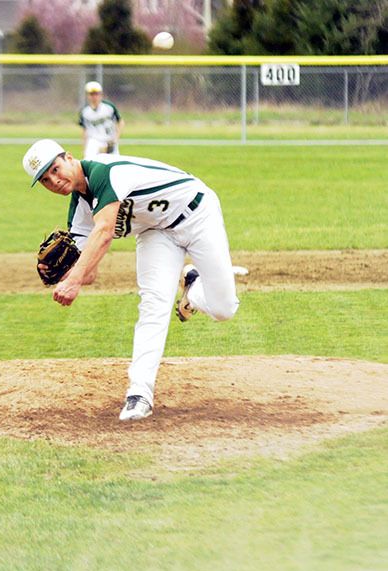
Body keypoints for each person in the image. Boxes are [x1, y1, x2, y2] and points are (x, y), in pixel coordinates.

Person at [22, 139, 240, 421]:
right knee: (153, 306)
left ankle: (193, 286)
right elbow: (89, 272)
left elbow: (104, 231)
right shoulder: (79, 212)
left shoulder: (103, 172)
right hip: (156, 233)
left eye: (55, 168)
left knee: (224, 309)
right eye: (45, 179)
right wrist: (62, 274)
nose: (54, 180)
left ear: (69, 158)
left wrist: (73, 280)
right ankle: (139, 393)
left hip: (197, 213)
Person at [79, 81, 124, 159]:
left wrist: (116, 138)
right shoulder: (85, 111)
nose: (94, 97)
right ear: (88, 95)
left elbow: (120, 122)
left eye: (96, 94)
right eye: (91, 94)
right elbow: (84, 130)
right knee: (88, 160)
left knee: (115, 162)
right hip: (94, 140)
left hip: (109, 140)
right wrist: (84, 147)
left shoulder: (109, 107)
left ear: (101, 95)